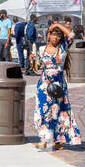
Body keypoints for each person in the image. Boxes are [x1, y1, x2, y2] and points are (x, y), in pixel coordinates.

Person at [33, 21, 81, 152]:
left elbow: (71, 35)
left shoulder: (62, 49)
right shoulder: (41, 50)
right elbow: (38, 66)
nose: (56, 38)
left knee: (58, 113)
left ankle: (58, 141)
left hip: (58, 86)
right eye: (53, 34)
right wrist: (34, 59)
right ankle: (45, 141)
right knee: (44, 112)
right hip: (44, 85)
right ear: (48, 36)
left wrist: (57, 25)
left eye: (58, 36)